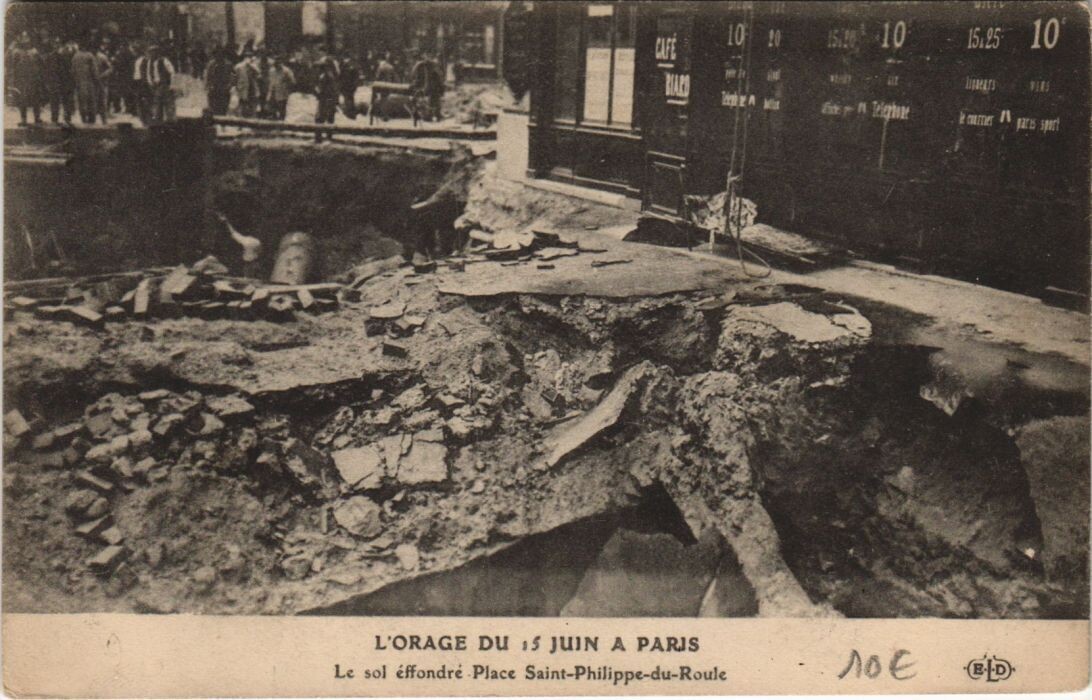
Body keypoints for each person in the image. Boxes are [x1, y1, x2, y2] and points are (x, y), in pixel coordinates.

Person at [132, 44, 175, 123]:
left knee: (167, 105)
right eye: (150, 52)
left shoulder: (163, 60)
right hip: (153, 86)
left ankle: (170, 122)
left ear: (158, 53)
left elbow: (172, 72)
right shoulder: (148, 62)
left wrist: (172, 85)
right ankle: (158, 122)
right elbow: (147, 74)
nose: (152, 54)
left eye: (154, 52)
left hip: (164, 85)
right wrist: (150, 84)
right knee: (157, 105)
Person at [213, 211, 262, 278]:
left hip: (249, 263)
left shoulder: (245, 240)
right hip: (253, 262)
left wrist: (226, 222)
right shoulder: (257, 241)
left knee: (248, 277)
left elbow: (233, 232)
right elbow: (259, 251)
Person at [9, 35, 45, 126]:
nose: (26, 43)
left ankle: (37, 118)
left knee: (36, 99)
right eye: (24, 40)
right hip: (22, 80)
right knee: (22, 100)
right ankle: (24, 119)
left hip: (33, 79)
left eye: (27, 40)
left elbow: (41, 63)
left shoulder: (34, 52)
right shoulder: (17, 52)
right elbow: (11, 65)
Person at [43, 37, 74, 125]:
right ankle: (54, 119)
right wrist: (48, 82)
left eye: (58, 44)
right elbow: (46, 70)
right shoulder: (50, 57)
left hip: (65, 81)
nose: (56, 46)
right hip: (54, 82)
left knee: (66, 101)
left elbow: (70, 69)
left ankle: (67, 119)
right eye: (55, 44)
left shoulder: (67, 56)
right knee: (54, 101)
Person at [410, 50, 444, 122]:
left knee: (432, 101)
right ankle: (433, 115)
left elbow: (414, 75)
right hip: (432, 87)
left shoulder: (424, 65)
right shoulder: (431, 65)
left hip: (431, 87)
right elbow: (439, 77)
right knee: (432, 101)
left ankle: (432, 115)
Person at [71, 41, 99, 124]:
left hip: (79, 82)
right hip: (89, 81)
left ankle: (83, 118)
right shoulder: (90, 55)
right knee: (91, 100)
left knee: (82, 100)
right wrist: (97, 80)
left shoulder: (75, 56)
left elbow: (72, 70)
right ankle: (92, 119)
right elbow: (94, 70)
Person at [203, 47, 234, 116]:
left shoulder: (228, 64)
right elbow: (207, 75)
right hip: (214, 88)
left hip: (224, 88)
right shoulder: (211, 64)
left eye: (221, 54)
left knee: (223, 106)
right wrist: (208, 86)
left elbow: (232, 76)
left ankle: (222, 118)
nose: (219, 56)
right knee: (213, 106)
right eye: (217, 54)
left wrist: (230, 85)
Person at [313, 57, 338, 142]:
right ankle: (322, 137)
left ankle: (322, 138)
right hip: (326, 99)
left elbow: (329, 89)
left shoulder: (327, 76)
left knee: (321, 118)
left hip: (326, 99)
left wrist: (318, 91)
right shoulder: (326, 75)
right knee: (325, 118)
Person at [264, 55, 295, 121]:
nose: (277, 64)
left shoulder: (286, 71)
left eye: (279, 62)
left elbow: (292, 82)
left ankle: (281, 124)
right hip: (273, 94)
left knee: (282, 112)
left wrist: (287, 89)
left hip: (282, 95)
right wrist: (269, 94)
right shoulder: (271, 71)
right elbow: (270, 82)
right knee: (271, 112)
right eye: (276, 62)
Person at [108, 40, 134, 115]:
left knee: (119, 92)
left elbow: (118, 64)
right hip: (127, 75)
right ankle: (128, 108)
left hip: (122, 75)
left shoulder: (121, 53)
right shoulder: (130, 53)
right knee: (126, 92)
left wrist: (114, 61)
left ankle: (119, 108)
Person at [371, 51, 397, 122]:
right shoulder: (391, 66)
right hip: (389, 86)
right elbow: (395, 78)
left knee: (381, 100)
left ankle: (382, 115)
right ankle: (384, 114)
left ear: (379, 60)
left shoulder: (381, 67)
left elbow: (377, 77)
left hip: (381, 86)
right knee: (385, 100)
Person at [233, 52, 259, 117]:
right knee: (241, 104)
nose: (248, 59)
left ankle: (250, 117)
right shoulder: (238, 66)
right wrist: (236, 87)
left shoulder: (254, 66)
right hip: (242, 88)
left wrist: (252, 66)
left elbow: (258, 74)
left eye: (250, 57)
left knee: (251, 105)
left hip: (251, 89)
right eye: (247, 57)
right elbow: (235, 78)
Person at [337, 52, 361, 119]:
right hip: (351, 86)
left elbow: (343, 76)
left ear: (345, 57)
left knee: (348, 99)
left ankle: (349, 113)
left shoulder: (346, 65)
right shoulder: (353, 64)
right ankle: (351, 113)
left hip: (347, 86)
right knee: (350, 98)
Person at [94, 42, 113, 123]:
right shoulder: (89, 57)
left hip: (101, 82)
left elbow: (110, 68)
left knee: (102, 101)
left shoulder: (102, 57)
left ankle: (104, 119)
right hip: (92, 82)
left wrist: (102, 75)